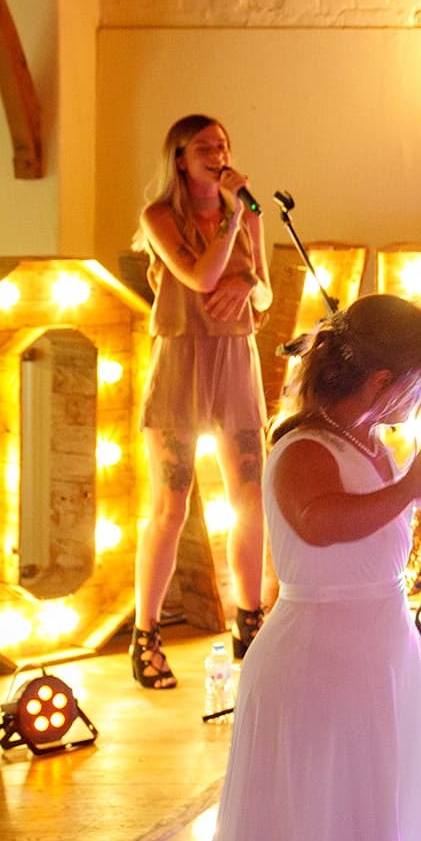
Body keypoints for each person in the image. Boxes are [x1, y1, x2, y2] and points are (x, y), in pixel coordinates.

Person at [131, 295, 421, 841]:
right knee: (310, 810)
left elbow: (370, 533)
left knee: (373, 801)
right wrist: (411, 487)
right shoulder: (303, 445)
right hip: (315, 655)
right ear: (382, 379)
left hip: (375, 646)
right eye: (417, 383)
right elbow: (318, 523)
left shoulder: (367, 438)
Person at [130, 115, 273, 688]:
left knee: (249, 496)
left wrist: (251, 284)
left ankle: (251, 622)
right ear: (181, 160)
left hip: (236, 358)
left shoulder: (253, 216)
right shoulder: (160, 218)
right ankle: (146, 635)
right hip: (182, 362)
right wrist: (234, 216)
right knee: (172, 500)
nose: (218, 154)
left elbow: (262, 288)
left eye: (224, 145)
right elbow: (201, 277)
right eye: (205, 147)